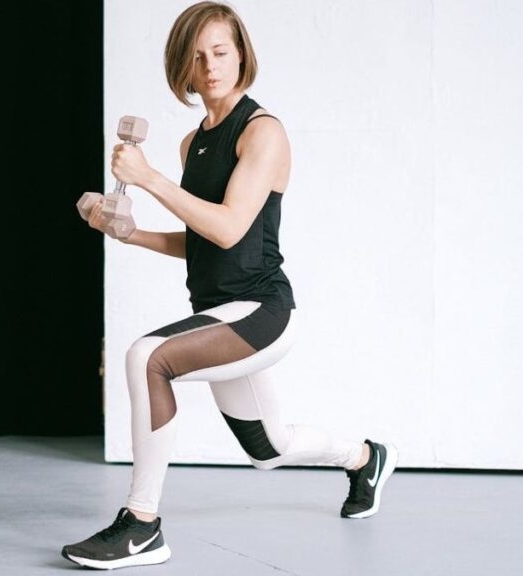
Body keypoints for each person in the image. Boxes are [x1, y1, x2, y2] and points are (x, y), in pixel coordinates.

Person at [61, 1, 398, 570]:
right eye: (197, 58)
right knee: (269, 449)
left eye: (220, 52)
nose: (211, 66)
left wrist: (147, 178)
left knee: (148, 357)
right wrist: (130, 232)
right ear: (183, 71)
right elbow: (201, 239)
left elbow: (229, 225)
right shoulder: (193, 143)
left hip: (263, 311)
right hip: (222, 314)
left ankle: (142, 525)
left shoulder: (263, 131)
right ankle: (365, 458)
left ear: (241, 53)